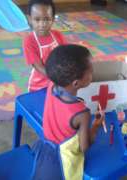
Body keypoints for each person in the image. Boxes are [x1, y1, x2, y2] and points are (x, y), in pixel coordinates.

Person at [32, 44, 103, 180]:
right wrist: (96, 125)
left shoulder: (51, 85)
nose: (93, 73)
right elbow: (84, 147)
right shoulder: (82, 113)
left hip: (44, 148)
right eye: (91, 71)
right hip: (63, 161)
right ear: (76, 83)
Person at [23, 0, 66, 92]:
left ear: (53, 19)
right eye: (37, 19)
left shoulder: (58, 35)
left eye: (46, 19)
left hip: (58, 81)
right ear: (30, 19)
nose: (42, 24)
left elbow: (65, 55)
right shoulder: (29, 41)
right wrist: (58, 77)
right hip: (39, 85)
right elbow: (38, 66)